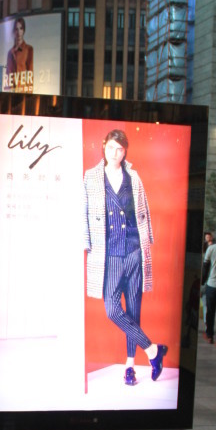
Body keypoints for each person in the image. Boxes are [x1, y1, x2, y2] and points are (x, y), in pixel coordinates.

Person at [83, 128, 167, 386]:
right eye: (111, 148)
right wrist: (87, 245)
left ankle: (130, 366)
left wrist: (146, 244)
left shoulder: (134, 176)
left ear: (125, 151)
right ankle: (154, 350)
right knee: (112, 309)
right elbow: (83, 213)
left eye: (120, 149)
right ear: (104, 146)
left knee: (134, 310)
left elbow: (144, 210)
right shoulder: (91, 177)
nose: (115, 154)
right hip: (109, 255)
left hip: (134, 252)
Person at [5, 17, 34, 93]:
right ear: (14, 31)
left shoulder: (28, 49)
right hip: (12, 91)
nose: (19, 32)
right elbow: (8, 75)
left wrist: (29, 93)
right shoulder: (10, 53)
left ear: (23, 30)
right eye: (16, 29)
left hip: (23, 90)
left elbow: (30, 73)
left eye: (21, 28)